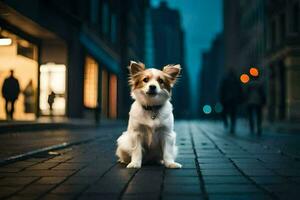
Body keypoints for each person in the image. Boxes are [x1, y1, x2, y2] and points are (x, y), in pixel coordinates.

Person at [219, 69, 243, 133]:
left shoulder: (225, 80)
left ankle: (227, 123)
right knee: (233, 113)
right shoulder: (236, 80)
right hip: (233, 99)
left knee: (225, 112)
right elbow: (240, 89)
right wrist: (240, 98)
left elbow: (221, 89)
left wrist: (221, 98)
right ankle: (232, 125)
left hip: (227, 99)